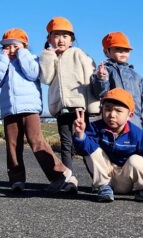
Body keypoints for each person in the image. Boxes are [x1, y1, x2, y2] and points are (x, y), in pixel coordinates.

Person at [0, 28, 78, 195]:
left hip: (29, 107)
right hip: (9, 109)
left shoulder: (31, 58)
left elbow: (33, 73)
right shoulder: (4, 62)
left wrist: (22, 54)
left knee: (36, 141)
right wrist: (3, 58)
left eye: (15, 46)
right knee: (12, 145)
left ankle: (60, 173)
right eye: (7, 47)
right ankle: (16, 180)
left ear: (25, 46)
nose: (11, 50)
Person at [72, 88, 143, 202]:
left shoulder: (136, 134)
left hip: (126, 180)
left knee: (137, 160)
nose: (112, 115)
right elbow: (83, 150)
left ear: (130, 115)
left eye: (118, 111)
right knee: (91, 149)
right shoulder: (95, 128)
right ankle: (104, 187)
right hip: (105, 177)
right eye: (107, 109)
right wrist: (80, 135)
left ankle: (142, 189)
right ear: (101, 110)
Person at [38, 16, 98, 169]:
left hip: (79, 107)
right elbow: (46, 78)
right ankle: (68, 177)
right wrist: (48, 56)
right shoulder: (50, 57)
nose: (61, 40)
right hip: (61, 109)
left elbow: (90, 77)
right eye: (56, 35)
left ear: (71, 40)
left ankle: (96, 177)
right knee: (66, 144)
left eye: (65, 36)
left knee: (84, 143)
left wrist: (93, 106)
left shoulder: (78, 53)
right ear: (49, 39)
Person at [89, 31, 143, 130]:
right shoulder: (104, 71)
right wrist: (101, 79)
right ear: (106, 52)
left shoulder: (136, 76)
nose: (123, 52)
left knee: (137, 140)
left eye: (126, 50)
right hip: (113, 123)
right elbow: (99, 93)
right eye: (118, 49)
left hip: (136, 122)